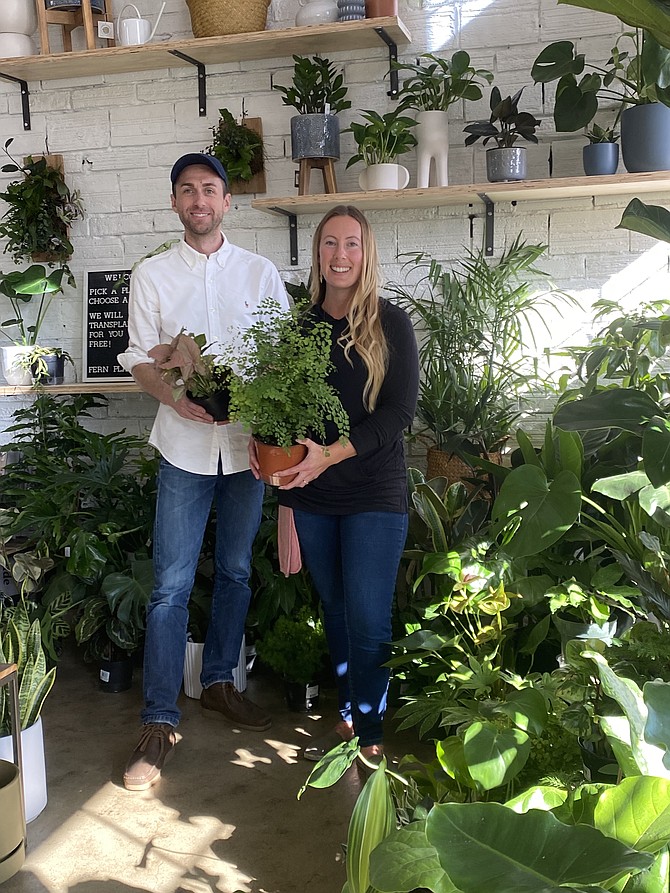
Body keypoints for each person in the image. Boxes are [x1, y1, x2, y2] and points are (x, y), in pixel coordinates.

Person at [118, 152, 289, 791]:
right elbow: (138, 359)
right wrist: (174, 396)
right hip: (183, 447)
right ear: (174, 202)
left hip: (247, 447)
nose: (199, 199)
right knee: (170, 584)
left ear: (225, 200)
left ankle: (219, 682)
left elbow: (281, 356)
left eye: (209, 189)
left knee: (239, 570)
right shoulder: (153, 275)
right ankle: (159, 720)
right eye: (187, 190)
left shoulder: (260, 272)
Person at [252, 205, 419, 763]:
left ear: (365, 252)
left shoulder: (389, 323)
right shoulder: (298, 327)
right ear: (317, 253)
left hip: (373, 489)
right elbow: (279, 414)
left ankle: (370, 736)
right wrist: (273, 471)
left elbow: (398, 413)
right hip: (313, 495)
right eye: (329, 244)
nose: (340, 255)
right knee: (337, 608)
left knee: (370, 616)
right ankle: (348, 711)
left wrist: (333, 454)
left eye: (351, 243)